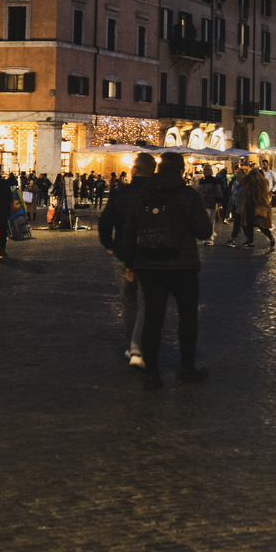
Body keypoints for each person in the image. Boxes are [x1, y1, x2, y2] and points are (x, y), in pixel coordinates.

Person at [120, 153, 212, 390]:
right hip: (183, 265)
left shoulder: (144, 194)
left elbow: (128, 233)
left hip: (150, 266)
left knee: (153, 318)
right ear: (182, 170)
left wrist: (131, 263)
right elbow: (203, 230)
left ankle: (152, 373)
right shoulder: (188, 195)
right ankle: (186, 368)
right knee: (187, 318)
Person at [99, 153, 157, 369]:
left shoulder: (120, 193)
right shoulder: (157, 194)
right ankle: (136, 346)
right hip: (151, 254)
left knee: (129, 301)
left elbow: (105, 222)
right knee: (147, 301)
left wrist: (109, 244)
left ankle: (131, 345)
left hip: (124, 254)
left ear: (135, 169)